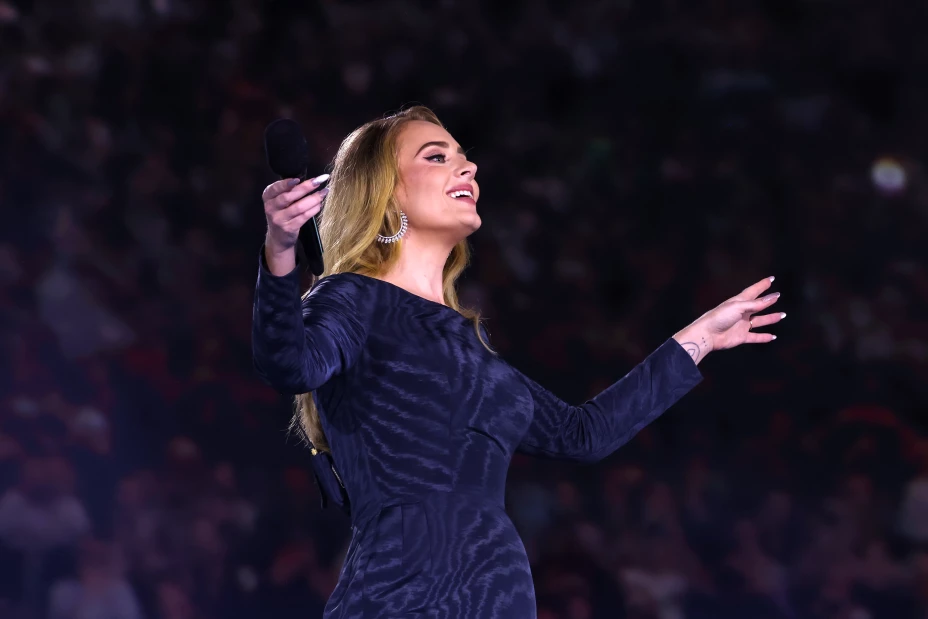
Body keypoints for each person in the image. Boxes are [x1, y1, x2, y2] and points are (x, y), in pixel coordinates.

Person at [251, 106, 784, 618]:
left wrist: (699, 338)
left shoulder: (468, 344)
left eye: (464, 155)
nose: (468, 166)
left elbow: (583, 434)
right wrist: (280, 250)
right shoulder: (351, 298)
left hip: (499, 597)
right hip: (402, 596)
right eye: (436, 156)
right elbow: (288, 364)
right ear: (386, 193)